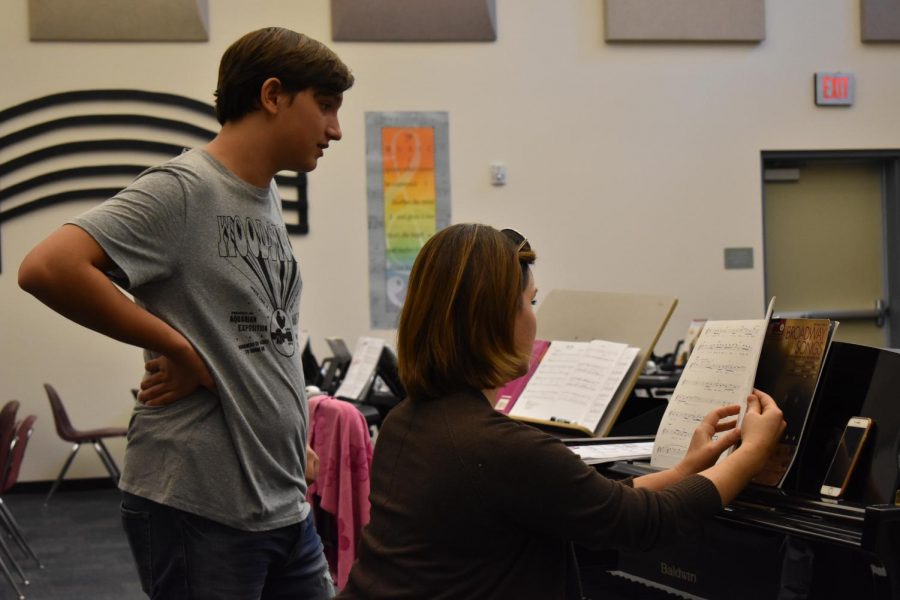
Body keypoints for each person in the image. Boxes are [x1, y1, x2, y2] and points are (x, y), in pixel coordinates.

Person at [18, 27, 353, 599]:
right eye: (325, 106)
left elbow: (256, 334)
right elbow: (48, 267)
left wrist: (287, 435)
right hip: (201, 503)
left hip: (277, 497)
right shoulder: (184, 189)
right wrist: (176, 348)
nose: (336, 130)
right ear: (272, 96)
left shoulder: (264, 195)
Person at [337, 224, 785, 600]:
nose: (535, 319)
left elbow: (596, 502)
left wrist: (688, 468)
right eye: (530, 303)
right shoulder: (496, 447)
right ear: (491, 319)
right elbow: (645, 523)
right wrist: (751, 453)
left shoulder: (409, 420)